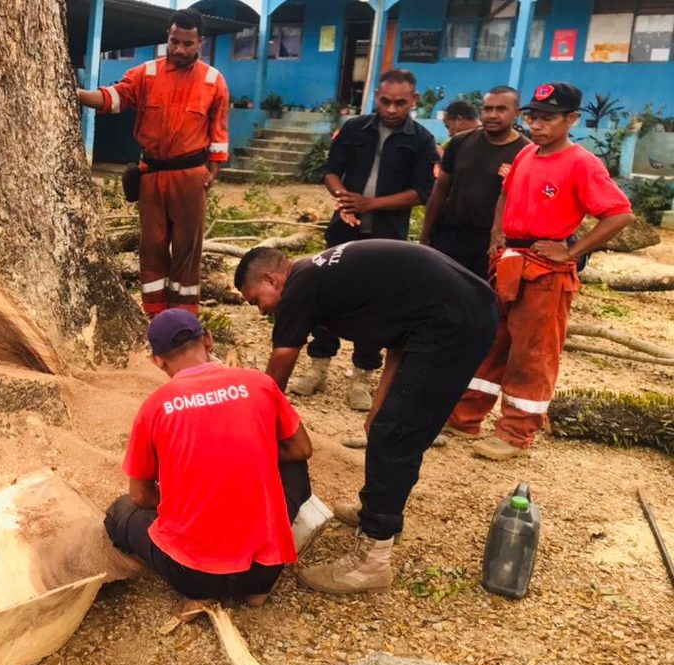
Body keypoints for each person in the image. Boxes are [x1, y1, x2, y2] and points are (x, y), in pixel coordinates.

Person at [235, 241, 498, 594]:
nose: (261, 311)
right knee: (385, 423)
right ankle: (379, 514)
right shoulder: (320, 275)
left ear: (271, 278)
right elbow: (400, 330)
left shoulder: (302, 282)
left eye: (256, 300)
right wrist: (380, 401)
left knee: (396, 433)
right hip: (447, 313)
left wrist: (259, 421)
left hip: (455, 322)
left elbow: (283, 358)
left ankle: (371, 561)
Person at [444, 82, 633, 460]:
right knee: (491, 340)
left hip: (546, 271)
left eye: (548, 118)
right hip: (510, 261)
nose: (538, 125)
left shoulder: (582, 163)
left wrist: (572, 252)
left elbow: (620, 213)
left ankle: (515, 433)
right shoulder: (528, 155)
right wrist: (497, 231)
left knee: (532, 353)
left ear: (572, 119)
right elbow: (505, 193)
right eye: (533, 117)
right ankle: (465, 416)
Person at [104, 309, 313, 608]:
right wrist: (256, 448)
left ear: (158, 361)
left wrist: (180, 494)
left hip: (193, 575)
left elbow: (140, 496)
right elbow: (302, 449)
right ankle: (256, 589)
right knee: (293, 465)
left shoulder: (154, 407)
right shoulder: (259, 383)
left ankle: (200, 593)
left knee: (121, 512)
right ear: (209, 340)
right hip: (263, 571)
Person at [293, 69, 439, 411]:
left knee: (378, 305)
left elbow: (422, 192)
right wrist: (343, 198)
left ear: (414, 101)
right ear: (376, 96)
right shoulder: (355, 128)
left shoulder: (421, 140)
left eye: (400, 103)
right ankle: (318, 366)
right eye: (385, 101)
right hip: (344, 230)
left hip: (388, 238)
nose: (391, 109)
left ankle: (362, 376)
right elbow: (331, 170)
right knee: (327, 295)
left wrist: (371, 204)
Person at [77, 9, 228, 316]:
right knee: (152, 246)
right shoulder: (146, 74)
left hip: (189, 176)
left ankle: (184, 314)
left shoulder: (214, 81)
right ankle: (155, 315)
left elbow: (219, 131)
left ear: (200, 42)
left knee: (188, 248)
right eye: (174, 42)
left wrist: (212, 172)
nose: (179, 49)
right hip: (152, 174)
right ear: (167, 38)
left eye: (187, 43)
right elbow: (113, 98)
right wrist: (76, 93)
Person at [421, 87, 531, 279]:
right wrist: (425, 235)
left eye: (501, 109)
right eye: (487, 109)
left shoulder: (527, 153)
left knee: (481, 301)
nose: (493, 115)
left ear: (517, 113)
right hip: (450, 237)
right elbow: (440, 190)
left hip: (491, 244)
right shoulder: (460, 142)